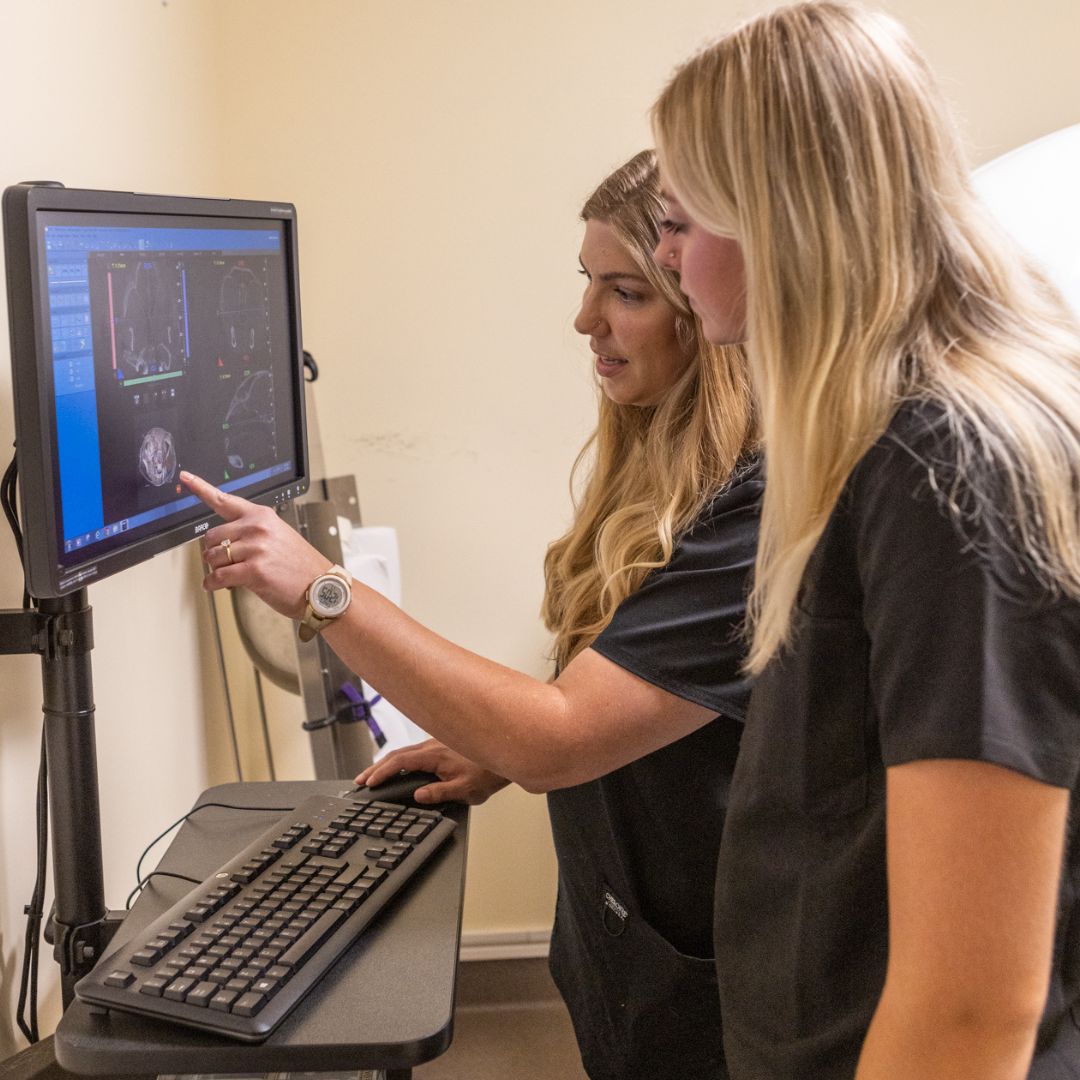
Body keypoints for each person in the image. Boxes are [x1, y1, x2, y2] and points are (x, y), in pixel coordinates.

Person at [182, 149, 761, 1080]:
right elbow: (637, 691)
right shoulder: (654, 462)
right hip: (627, 945)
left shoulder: (754, 509)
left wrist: (325, 592)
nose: (584, 320)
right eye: (587, 282)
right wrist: (491, 746)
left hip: (710, 982)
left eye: (625, 292)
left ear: (703, 303)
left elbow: (561, 737)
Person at [651, 3, 1080, 1078]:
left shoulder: (947, 467)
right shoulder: (867, 438)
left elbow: (971, 1009)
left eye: (682, 223)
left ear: (779, 222)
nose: (672, 264)